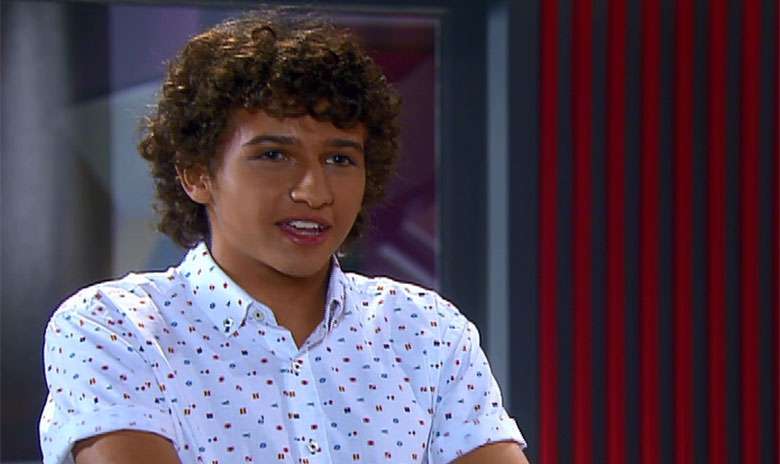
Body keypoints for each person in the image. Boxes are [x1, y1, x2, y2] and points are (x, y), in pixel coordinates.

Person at [39, 9, 529, 464]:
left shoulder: (426, 331)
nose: (314, 191)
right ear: (196, 173)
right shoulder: (114, 327)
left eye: (339, 159)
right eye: (274, 155)